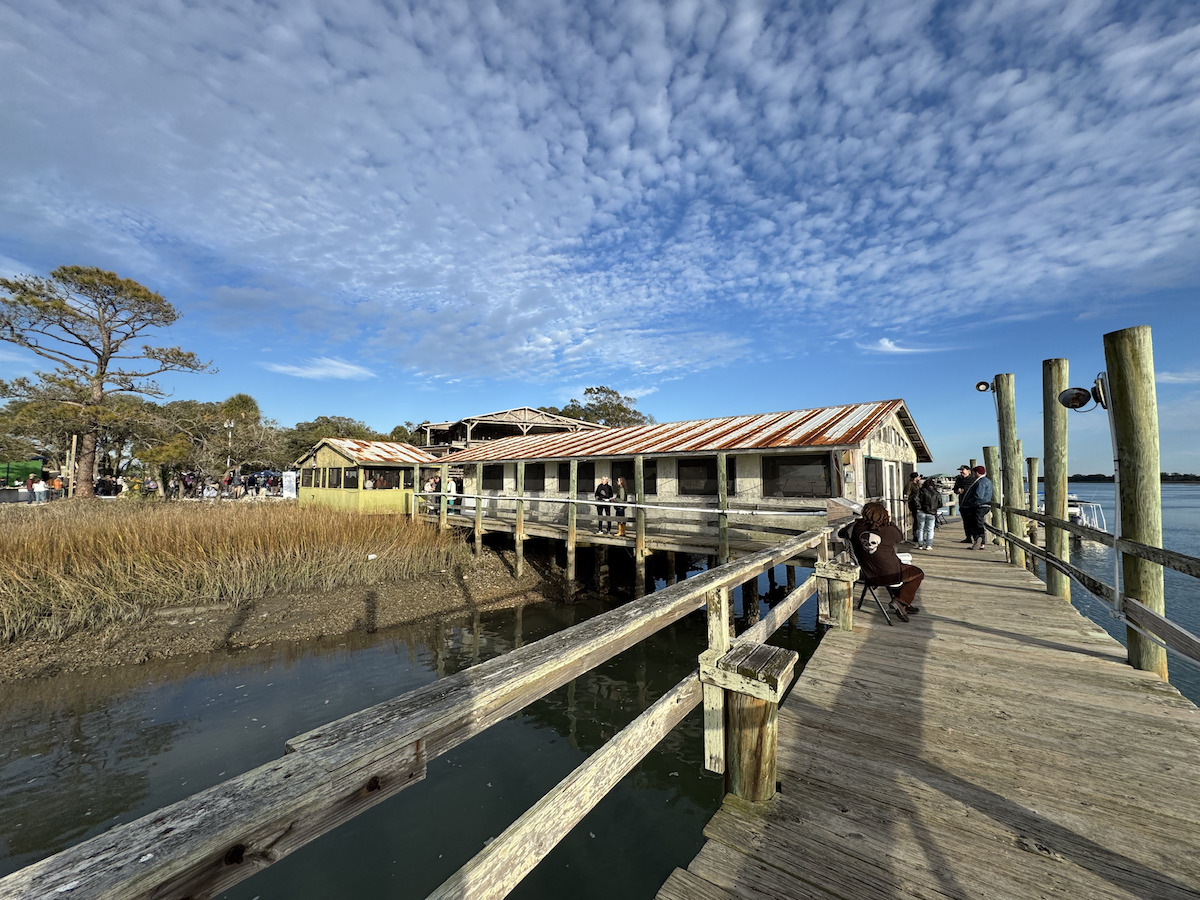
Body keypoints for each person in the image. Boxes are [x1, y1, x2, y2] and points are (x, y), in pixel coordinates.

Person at [842, 501, 923, 621]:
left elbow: (841, 532)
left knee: (903, 573)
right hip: (891, 574)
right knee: (917, 574)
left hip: (868, 574)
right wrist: (889, 521)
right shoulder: (888, 529)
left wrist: (858, 522)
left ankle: (904, 603)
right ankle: (902, 601)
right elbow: (899, 537)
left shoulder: (856, 529)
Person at [960, 465, 994, 550]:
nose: (973, 474)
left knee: (976, 523)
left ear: (977, 473)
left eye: (974, 473)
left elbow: (979, 495)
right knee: (977, 523)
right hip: (983, 505)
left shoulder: (981, 482)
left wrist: (970, 502)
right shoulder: (987, 481)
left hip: (979, 506)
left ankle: (980, 540)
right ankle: (979, 541)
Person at [915, 475, 941, 549]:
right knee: (930, 529)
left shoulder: (921, 491)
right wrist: (935, 508)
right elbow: (940, 503)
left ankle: (920, 544)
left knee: (920, 528)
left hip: (922, 511)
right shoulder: (936, 493)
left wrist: (919, 507)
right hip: (932, 513)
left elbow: (915, 499)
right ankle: (929, 545)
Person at [953, 464, 977, 542]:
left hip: (971, 504)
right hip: (962, 503)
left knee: (973, 521)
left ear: (968, 471)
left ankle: (976, 538)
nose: (961, 472)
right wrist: (958, 490)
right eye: (960, 471)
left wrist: (964, 490)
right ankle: (968, 537)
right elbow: (955, 489)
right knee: (965, 521)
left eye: (962, 470)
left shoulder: (973, 479)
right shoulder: (959, 479)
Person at [904, 471, 923, 541]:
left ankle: (919, 535)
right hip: (913, 504)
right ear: (915, 478)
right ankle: (915, 536)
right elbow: (907, 493)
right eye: (918, 477)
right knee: (916, 520)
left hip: (919, 503)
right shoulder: (910, 484)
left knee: (919, 520)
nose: (919, 478)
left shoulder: (918, 484)